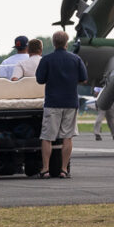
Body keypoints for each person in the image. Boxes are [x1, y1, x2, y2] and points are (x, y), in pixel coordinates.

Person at [35, 30, 88, 178]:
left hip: (52, 102)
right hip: (70, 101)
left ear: (53, 42)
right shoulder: (76, 59)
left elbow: (40, 79)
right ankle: (64, 169)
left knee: (47, 137)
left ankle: (45, 169)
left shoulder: (46, 59)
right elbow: (84, 79)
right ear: (66, 42)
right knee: (67, 136)